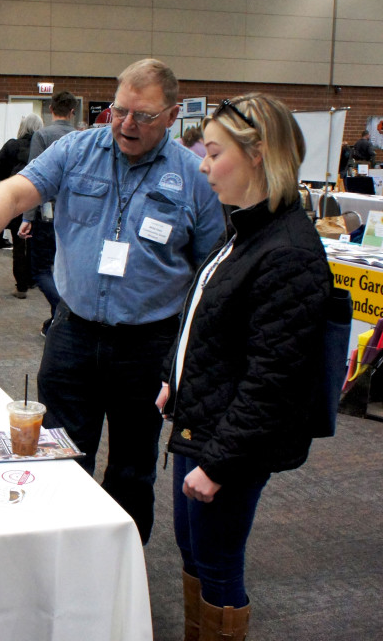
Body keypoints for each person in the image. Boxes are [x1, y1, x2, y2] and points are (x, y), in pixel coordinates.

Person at [0, 59, 224, 544]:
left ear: (172, 117)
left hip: (148, 346)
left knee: (133, 470)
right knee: (59, 457)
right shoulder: (76, 149)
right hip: (73, 334)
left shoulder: (195, 177)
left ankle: (120, 576)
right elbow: (11, 191)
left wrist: (190, 361)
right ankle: (61, 560)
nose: (127, 125)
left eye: (144, 116)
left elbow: (211, 272)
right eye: (119, 111)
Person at [156, 94, 330, 640]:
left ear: (258, 155)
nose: (203, 166)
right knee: (194, 548)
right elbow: (204, 314)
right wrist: (171, 375)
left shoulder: (288, 251)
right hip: (202, 421)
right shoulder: (247, 230)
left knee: (218, 561)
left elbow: (274, 381)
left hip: (229, 442)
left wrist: (220, 463)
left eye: (213, 153)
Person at [20, 91, 77, 332]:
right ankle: (56, 320)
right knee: (66, 268)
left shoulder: (42, 136)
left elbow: (35, 180)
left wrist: (27, 217)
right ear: (72, 112)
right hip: (74, 215)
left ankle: (64, 312)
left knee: (40, 270)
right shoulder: (80, 138)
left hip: (46, 215)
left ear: (51, 110)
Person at [0, 113, 44, 298]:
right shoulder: (46, 149)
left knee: (19, 243)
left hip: (18, 202)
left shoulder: (12, 146)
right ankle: (37, 279)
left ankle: (22, 286)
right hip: (41, 203)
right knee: (40, 242)